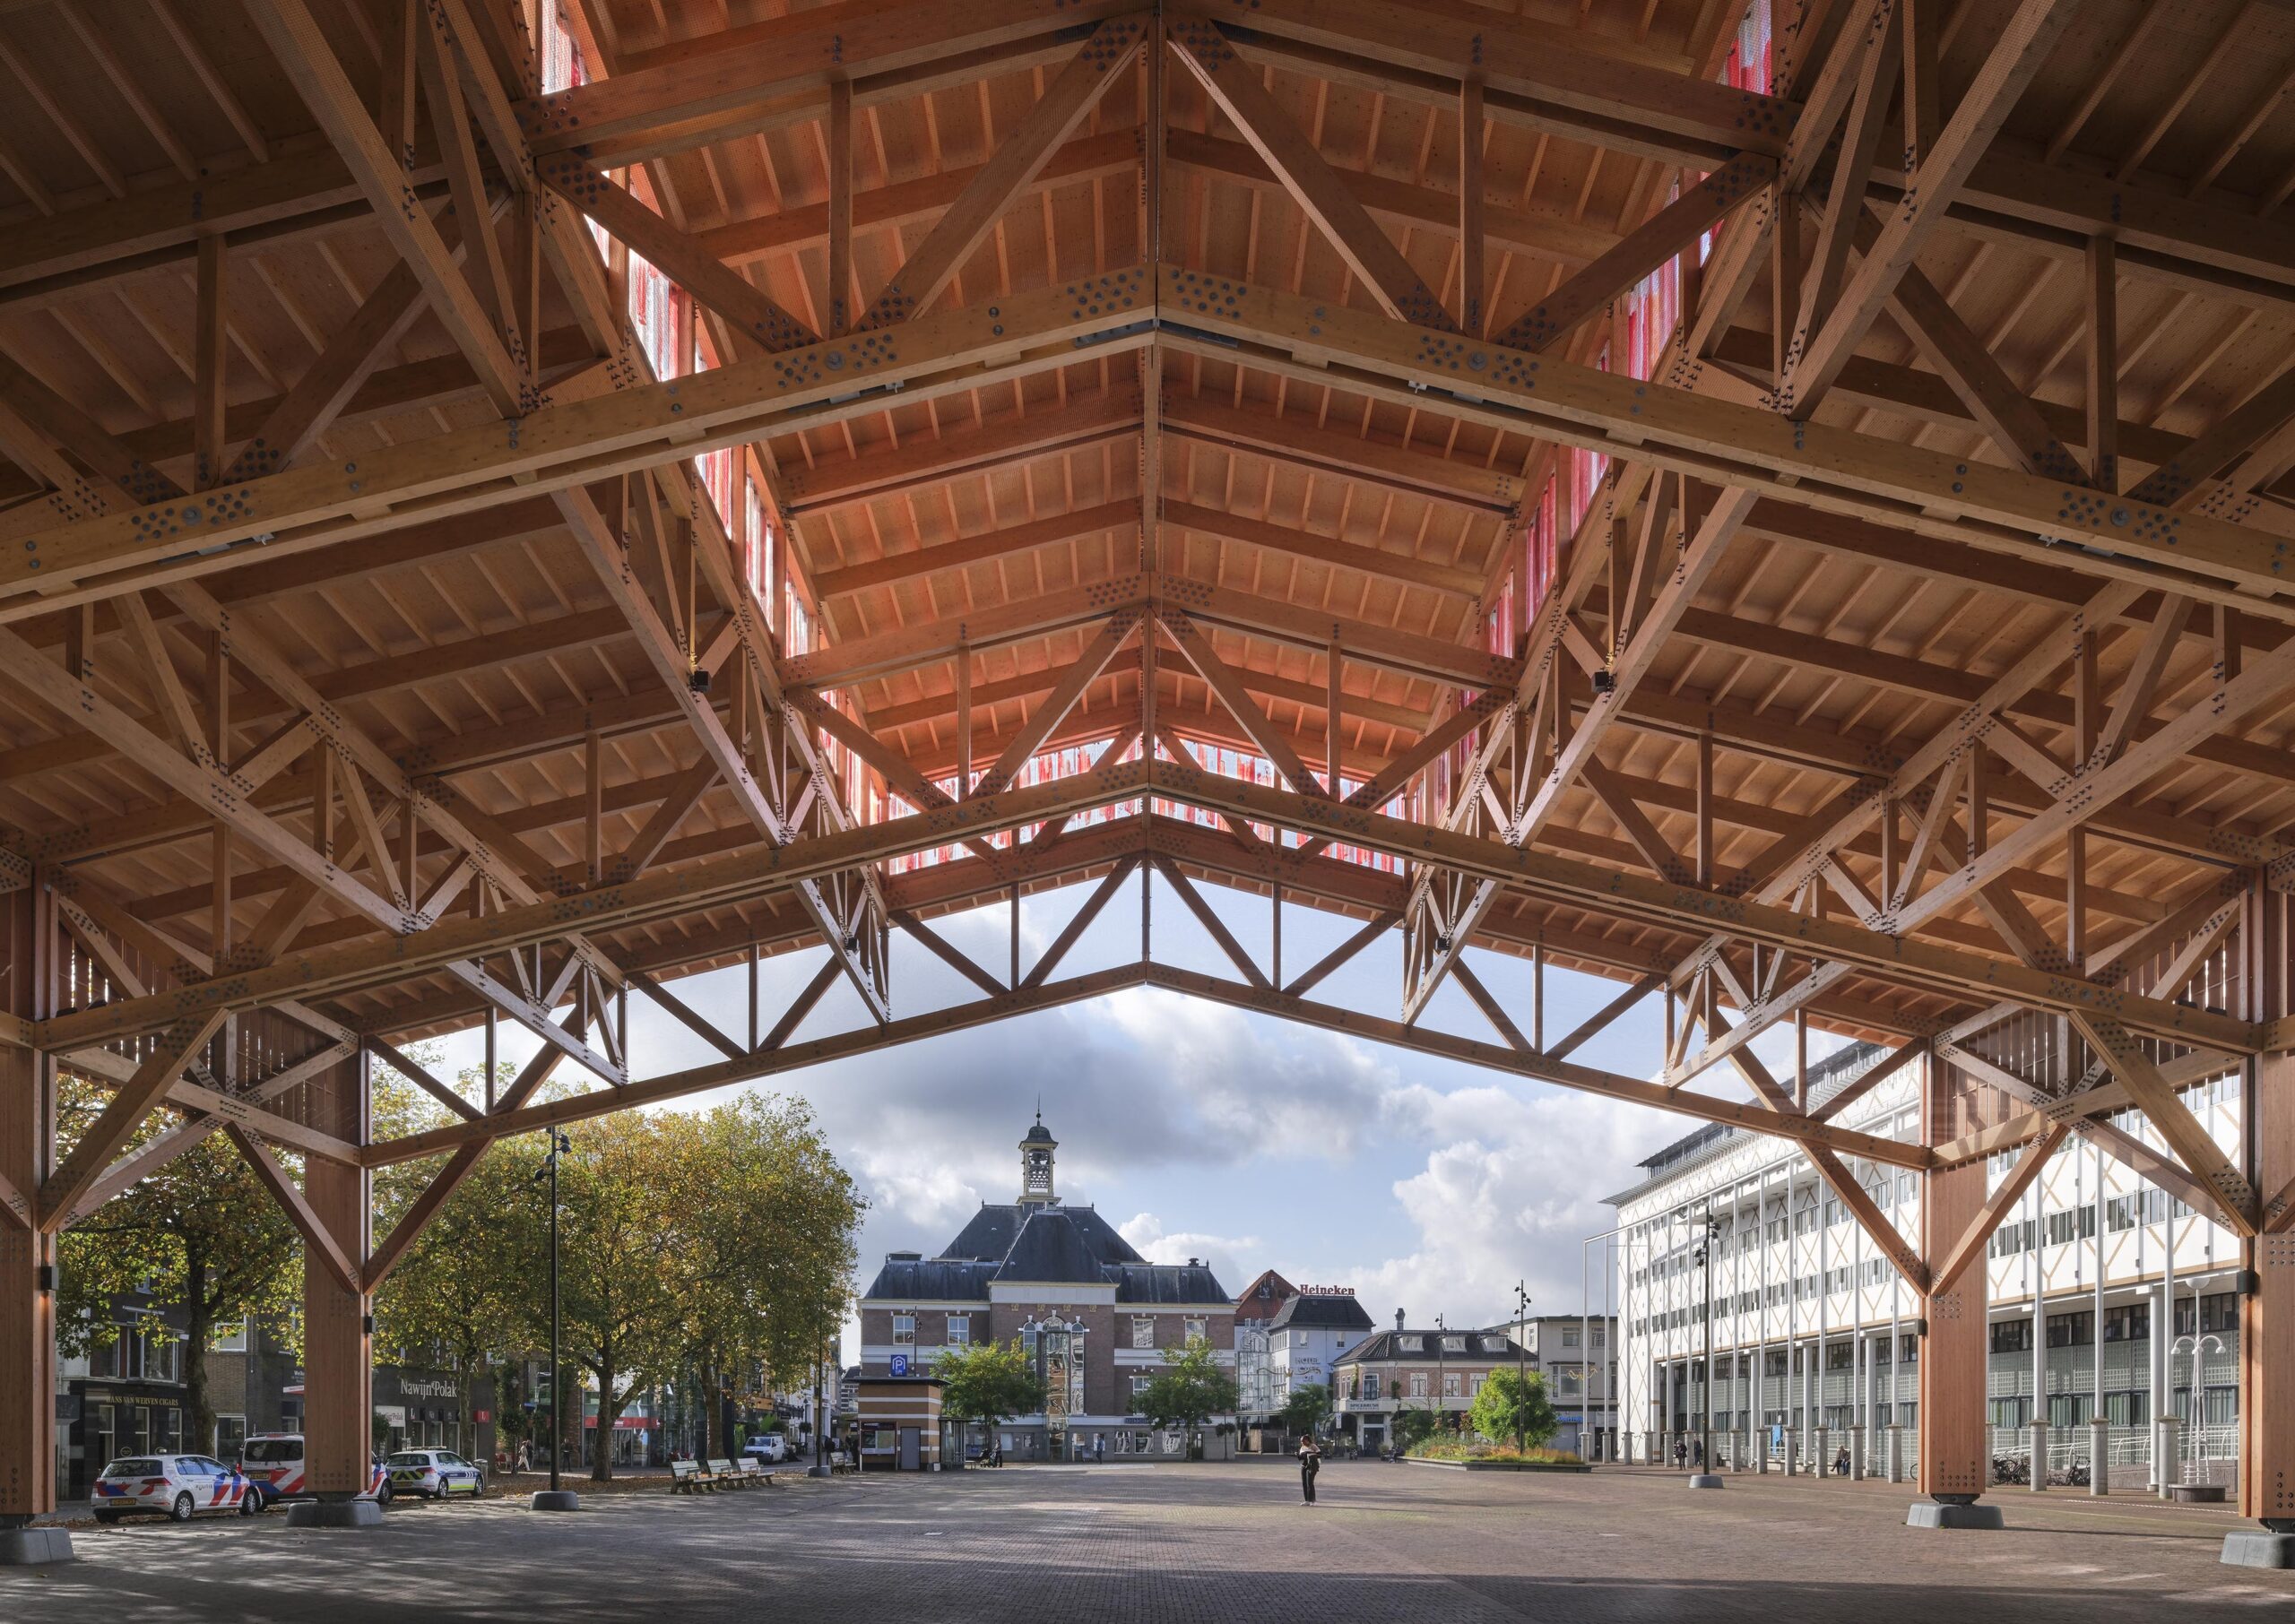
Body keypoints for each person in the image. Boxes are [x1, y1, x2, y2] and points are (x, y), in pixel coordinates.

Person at [1297, 1434, 1323, 1504]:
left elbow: (1320, 1454)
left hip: (1312, 1465)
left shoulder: (1313, 1446)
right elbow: (1301, 1458)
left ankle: (1313, 1500)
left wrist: (1310, 1454)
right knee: (1304, 1483)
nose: (1302, 1443)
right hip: (1304, 1466)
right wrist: (1299, 1455)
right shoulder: (1302, 1447)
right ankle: (1307, 1500)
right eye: (1301, 1441)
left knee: (1310, 1483)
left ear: (1307, 1440)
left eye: (1303, 1441)